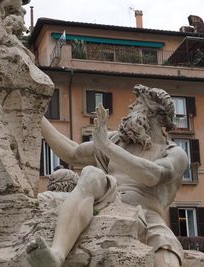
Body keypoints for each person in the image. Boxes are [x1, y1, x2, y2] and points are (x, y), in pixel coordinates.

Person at [26, 84, 188, 267]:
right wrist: (36, 112)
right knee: (91, 174)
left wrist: (107, 147)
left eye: (137, 104)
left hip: (148, 215)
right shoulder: (115, 139)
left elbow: (152, 175)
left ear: (152, 113)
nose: (130, 108)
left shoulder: (174, 153)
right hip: (108, 199)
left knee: (168, 257)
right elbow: (72, 152)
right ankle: (56, 255)